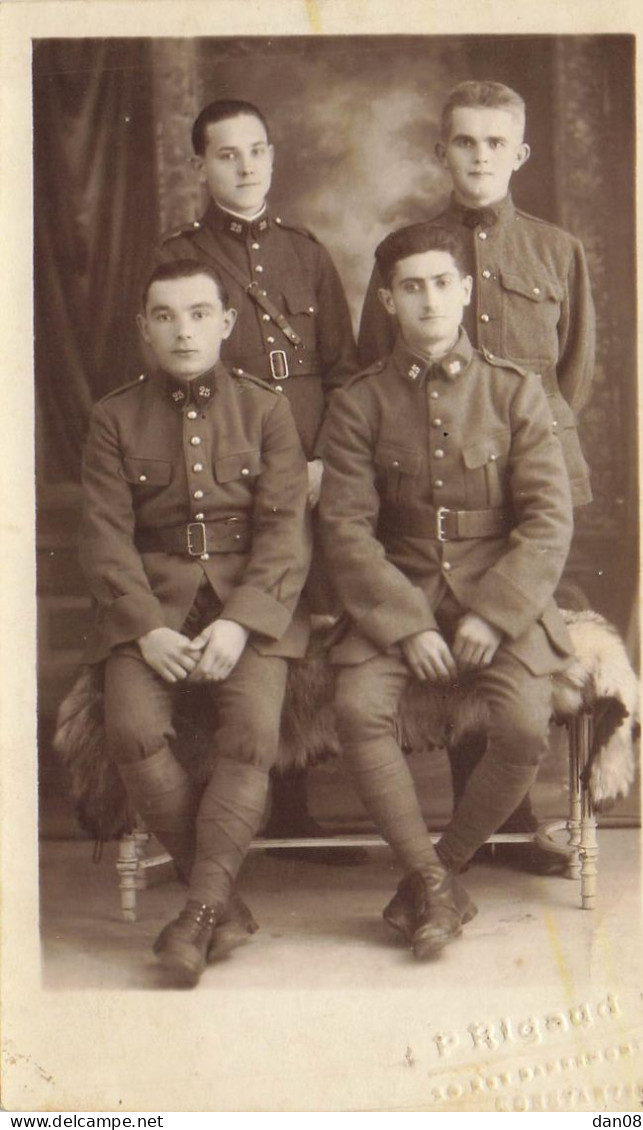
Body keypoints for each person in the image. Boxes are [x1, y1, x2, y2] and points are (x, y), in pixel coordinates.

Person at [319, 223, 574, 956]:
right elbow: (344, 528)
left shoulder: (514, 391)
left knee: (524, 726)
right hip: (393, 590)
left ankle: (437, 875)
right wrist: (406, 626)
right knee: (355, 709)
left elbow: (547, 520)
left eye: (440, 283)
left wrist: (494, 616)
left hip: (502, 587)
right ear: (389, 302)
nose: (428, 300)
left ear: (464, 291)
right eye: (410, 288)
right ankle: (431, 882)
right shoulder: (359, 403)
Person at [357, 80, 595, 865]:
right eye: (465, 141)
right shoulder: (411, 252)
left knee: (510, 643)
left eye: (496, 142)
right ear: (442, 151)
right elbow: (373, 361)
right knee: (455, 628)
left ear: (519, 153)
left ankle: (516, 824)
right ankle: (478, 827)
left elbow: (571, 372)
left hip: (532, 479)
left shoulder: (557, 251)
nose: (480, 156)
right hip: (430, 483)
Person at [79, 260, 312, 986]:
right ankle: (220, 905)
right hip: (153, 606)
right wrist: (146, 627)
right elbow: (104, 539)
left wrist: (241, 624)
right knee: (130, 731)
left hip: (250, 604)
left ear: (226, 324)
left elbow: (283, 534)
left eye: (198, 314)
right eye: (166, 316)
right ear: (145, 327)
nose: (184, 331)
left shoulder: (267, 410)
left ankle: (199, 914)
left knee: (249, 737)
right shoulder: (113, 417)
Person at [150, 98, 363, 863]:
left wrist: (319, 461)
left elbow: (343, 372)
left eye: (256, 151)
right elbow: (168, 376)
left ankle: (300, 805)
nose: (244, 167)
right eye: (226, 155)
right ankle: (249, 803)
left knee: (306, 630)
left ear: (273, 157)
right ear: (200, 165)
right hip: (231, 475)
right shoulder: (179, 255)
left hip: (307, 472)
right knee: (248, 622)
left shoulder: (306, 253)